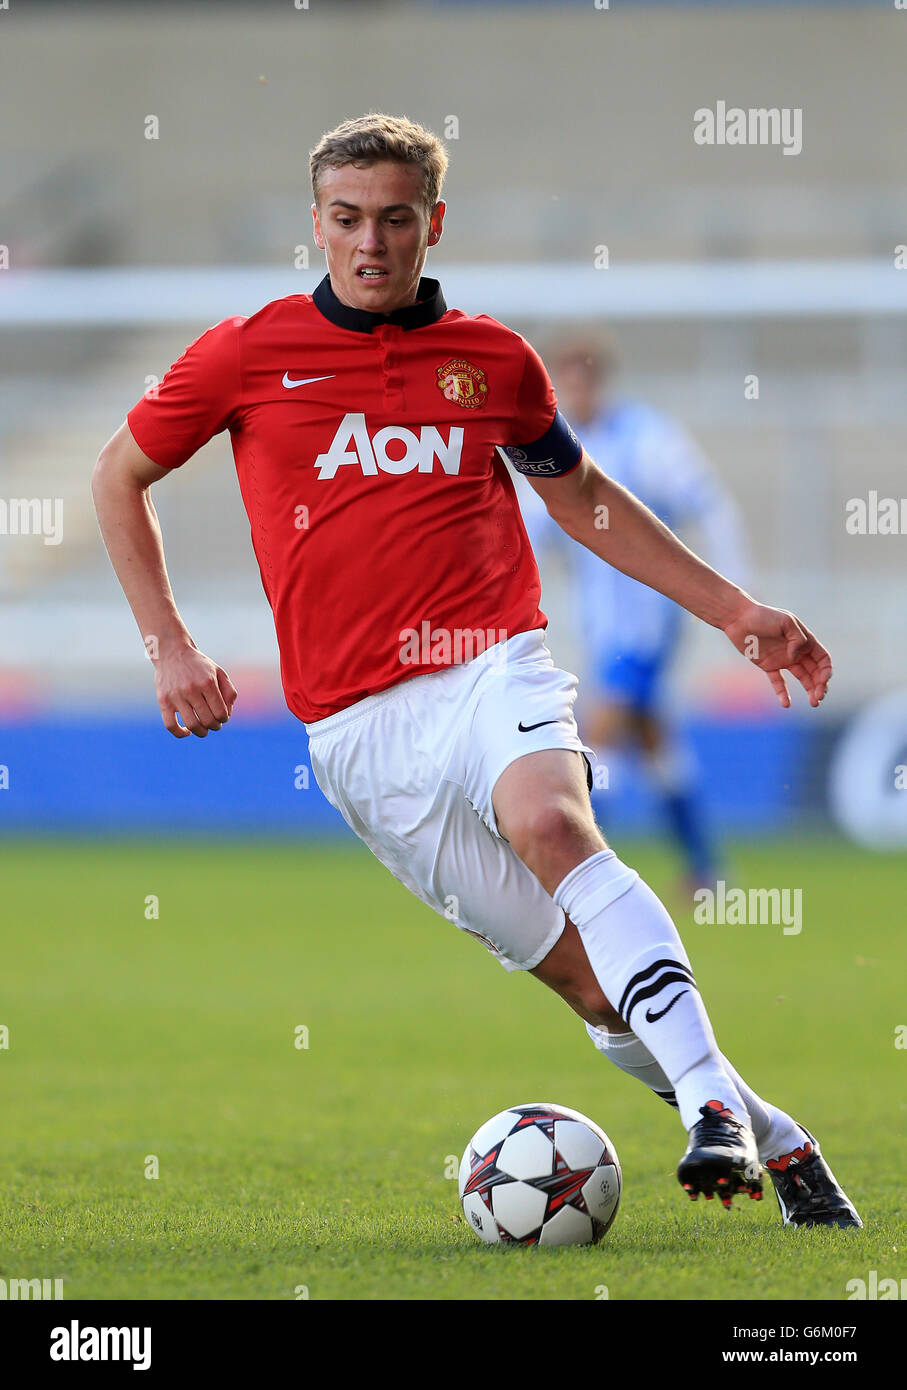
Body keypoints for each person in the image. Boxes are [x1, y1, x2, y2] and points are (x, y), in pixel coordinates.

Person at [92, 112, 859, 1228]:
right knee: (595, 990)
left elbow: (583, 497)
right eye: (347, 219)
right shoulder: (247, 353)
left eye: (394, 220)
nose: (369, 244)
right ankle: (780, 1139)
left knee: (555, 822)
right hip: (358, 736)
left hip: (489, 661)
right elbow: (119, 476)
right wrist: (168, 643)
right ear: (318, 223)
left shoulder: (492, 360)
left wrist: (735, 610)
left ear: (430, 224)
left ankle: (709, 1112)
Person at [513, 334, 749, 892]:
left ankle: (587, 876)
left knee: (599, 728)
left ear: (601, 380)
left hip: (649, 619)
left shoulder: (646, 437)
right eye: (566, 379)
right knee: (655, 743)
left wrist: (736, 590)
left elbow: (710, 503)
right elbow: (529, 532)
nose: (578, 389)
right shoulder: (555, 447)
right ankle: (707, 869)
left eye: (585, 377)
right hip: (603, 627)